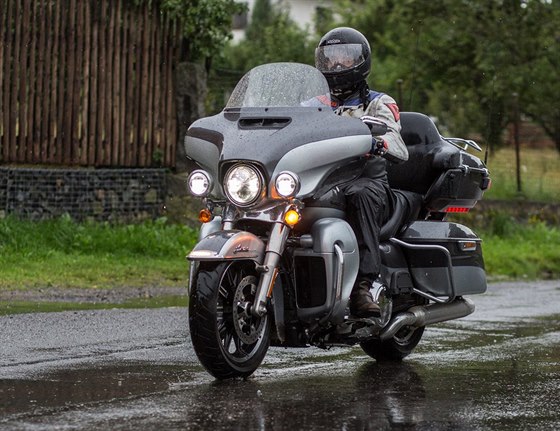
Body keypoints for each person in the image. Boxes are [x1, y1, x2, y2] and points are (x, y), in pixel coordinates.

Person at [315, 27, 409, 318]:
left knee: (360, 194)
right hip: (320, 181)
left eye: (345, 58)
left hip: (367, 179)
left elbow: (396, 142)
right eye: (330, 59)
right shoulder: (312, 106)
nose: (337, 65)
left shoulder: (379, 102)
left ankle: (362, 286)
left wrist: (378, 141)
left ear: (361, 62)